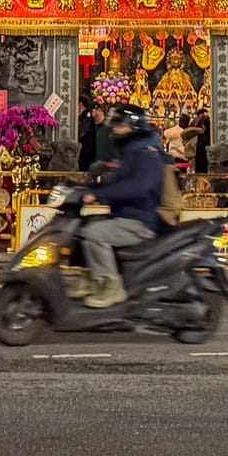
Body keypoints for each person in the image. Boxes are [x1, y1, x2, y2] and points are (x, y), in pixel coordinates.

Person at [80, 106, 165, 309]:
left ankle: (111, 286)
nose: (115, 130)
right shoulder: (130, 151)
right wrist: (88, 188)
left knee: (94, 233)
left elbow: (138, 186)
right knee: (83, 227)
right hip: (125, 215)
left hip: (139, 220)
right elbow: (117, 181)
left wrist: (100, 194)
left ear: (133, 126)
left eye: (120, 126)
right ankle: (92, 280)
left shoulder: (145, 152)